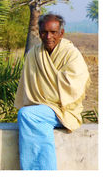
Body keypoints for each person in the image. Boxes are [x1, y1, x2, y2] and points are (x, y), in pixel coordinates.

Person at [14, 13, 90, 170]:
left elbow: (74, 87)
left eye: (53, 32)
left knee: (27, 115)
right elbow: (27, 86)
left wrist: (48, 98)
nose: (48, 36)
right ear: (39, 32)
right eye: (44, 32)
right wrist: (44, 100)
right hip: (42, 109)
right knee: (29, 115)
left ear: (61, 33)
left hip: (64, 109)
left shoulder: (71, 54)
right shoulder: (33, 54)